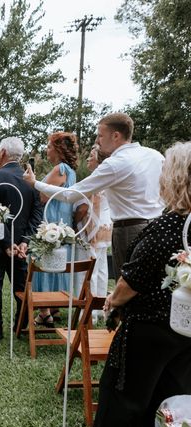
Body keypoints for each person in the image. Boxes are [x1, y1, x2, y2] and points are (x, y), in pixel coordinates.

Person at [68, 141, 191, 427]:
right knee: (168, 406)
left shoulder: (167, 226)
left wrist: (113, 300)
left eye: (166, 172)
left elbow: (132, 280)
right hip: (184, 334)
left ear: (177, 179)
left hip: (148, 332)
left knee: (121, 406)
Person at [23, 112, 163, 281]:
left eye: (101, 135)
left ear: (116, 136)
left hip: (129, 231)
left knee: (127, 283)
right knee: (151, 282)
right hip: (157, 227)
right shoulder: (155, 155)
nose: (97, 141)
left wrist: (35, 183)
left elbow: (70, 194)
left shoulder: (115, 163)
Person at [0, 137, 43, 339]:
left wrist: (7, 243)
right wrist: (24, 241)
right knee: (21, 287)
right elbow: (36, 214)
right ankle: (21, 328)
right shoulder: (30, 179)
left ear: (3, 153)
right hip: (22, 247)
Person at [32, 132, 78, 327]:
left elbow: (44, 197)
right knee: (57, 261)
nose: (46, 149)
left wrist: (33, 181)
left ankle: (44, 312)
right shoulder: (71, 170)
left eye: (49, 146)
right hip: (63, 221)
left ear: (58, 149)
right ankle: (54, 308)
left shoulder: (60, 168)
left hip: (52, 220)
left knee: (43, 262)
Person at [73, 146, 113, 323]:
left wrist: (75, 222)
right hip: (106, 229)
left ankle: (86, 313)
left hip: (91, 230)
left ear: (100, 160)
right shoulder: (109, 179)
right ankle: (100, 310)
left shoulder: (95, 180)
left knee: (87, 270)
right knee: (102, 269)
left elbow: (83, 207)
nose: (88, 159)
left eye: (91, 156)